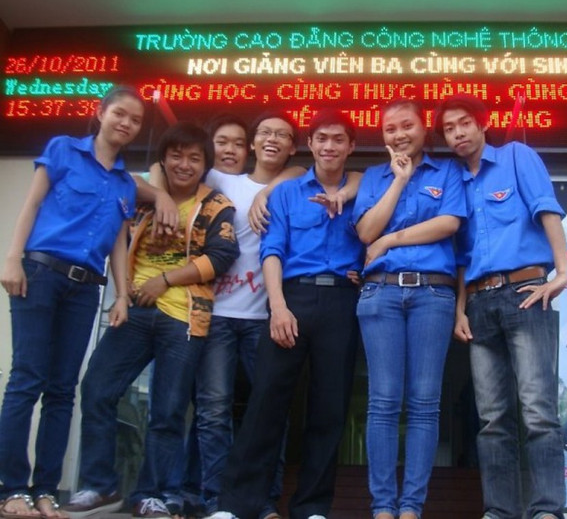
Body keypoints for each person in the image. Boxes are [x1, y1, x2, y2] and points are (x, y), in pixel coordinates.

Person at [63, 122, 239, 519]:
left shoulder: (216, 206)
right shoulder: (140, 196)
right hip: (135, 311)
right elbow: (119, 206)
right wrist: (158, 193)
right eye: (176, 156)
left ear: (205, 165)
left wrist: (165, 280)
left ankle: (151, 493)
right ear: (163, 159)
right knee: (97, 388)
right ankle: (99, 484)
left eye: (194, 158)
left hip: (184, 317)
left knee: (168, 411)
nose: (184, 164)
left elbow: (221, 257)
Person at [0, 86, 151, 519]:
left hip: (85, 289)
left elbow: (119, 243)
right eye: (119, 114)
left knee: (63, 388)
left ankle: (46, 490)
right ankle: (12, 488)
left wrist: (121, 295)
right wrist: (13, 258)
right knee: (27, 378)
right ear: (101, 113)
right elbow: (31, 205)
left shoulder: (125, 183)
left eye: (135, 120)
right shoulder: (63, 150)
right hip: (40, 274)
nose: (126, 124)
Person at [207, 109, 364, 519]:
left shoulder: (364, 190)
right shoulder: (287, 192)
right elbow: (271, 251)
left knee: (329, 409)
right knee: (266, 403)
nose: (329, 146)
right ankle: (235, 505)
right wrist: (277, 306)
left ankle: (311, 507)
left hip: (343, 302)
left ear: (351, 146)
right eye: (321, 138)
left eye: (338, 139)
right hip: (291, 298)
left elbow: (377, 231)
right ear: (309, 144)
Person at [435, 94, 567, 519]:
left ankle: (546, 509)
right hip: (478, 302)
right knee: (492, 420)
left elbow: (546, 209)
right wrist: (459, 309)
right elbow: (460, 255)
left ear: (482, 124)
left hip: (525, 292)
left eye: (464, 123)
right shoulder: (455, 181)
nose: (458, 133)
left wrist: (562, 271)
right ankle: (500, 511)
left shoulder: (515, 156)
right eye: (449, 129)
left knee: (538, 411)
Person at [178, 111, 303, 519]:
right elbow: (165, 168)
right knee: (213, 410)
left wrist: (270, 192)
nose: (272, 139)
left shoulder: (296, 184)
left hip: (265, 318)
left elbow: (309, 171)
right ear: (253, 143)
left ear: (293, 146)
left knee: (269, 411)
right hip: (217, 315)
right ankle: (218, 501)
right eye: (264, 132)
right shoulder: (222, 180)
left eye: (282, 135)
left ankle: (265, 501)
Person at [351, 99, 466, 519]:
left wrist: (391, 240)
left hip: (433, 295)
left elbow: (449, 222)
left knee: (424, 403)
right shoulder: (374, 177)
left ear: (424, 129)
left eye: (407, 126)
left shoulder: (448, 171)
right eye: (390, 129)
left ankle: (411, 507)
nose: (399, 135)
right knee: (382, 401)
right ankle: (383, 506)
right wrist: (399, 181)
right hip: (380, 293)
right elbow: (366, 231)